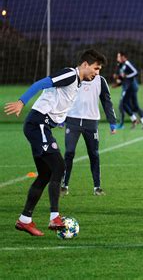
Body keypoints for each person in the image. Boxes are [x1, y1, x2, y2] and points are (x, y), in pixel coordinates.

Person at [4, 49, 107, 236]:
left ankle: (24, 220)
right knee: (59, 166)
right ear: (85, 64)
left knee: (45, 174)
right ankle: (54, 218)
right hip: (38, 123)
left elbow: (58, 101)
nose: (97, 73)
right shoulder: (69, 74)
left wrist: (58, 120)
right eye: (96, 68)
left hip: (42, 125)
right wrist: (21, 101)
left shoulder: (77, 82)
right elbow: (41, 83)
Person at [60, 74, 118, 197]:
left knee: (94, 154)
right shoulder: (74, 78)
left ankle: (97, 187)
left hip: (91, 123)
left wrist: (112, 121)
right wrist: (60, 117)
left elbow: (106, 101)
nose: (97, 70)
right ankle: (64, 186)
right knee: (69, 152)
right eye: (96, 66)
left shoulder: (100, 80)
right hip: (72, 121)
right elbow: (63, 97)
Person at [115, 51, 143, 129]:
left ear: (123, 57)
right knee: (134, 106)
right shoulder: (121, 65)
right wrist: (119, 79)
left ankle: (130, 121)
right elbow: (122, 77)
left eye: (119, 57)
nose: (117, 58)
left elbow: (135, 72)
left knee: (122, 104)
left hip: (130, 88)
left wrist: (126, 76)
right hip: (129, 87)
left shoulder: (127, 63)